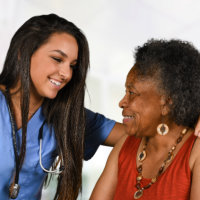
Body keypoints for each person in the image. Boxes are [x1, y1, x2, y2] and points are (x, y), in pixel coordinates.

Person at [0, 13, 125, 200]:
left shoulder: (66, 116)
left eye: (73, 66)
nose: (66, 74)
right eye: (58, 59)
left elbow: (139, 135)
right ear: (22, 52)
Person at [90, 39, 200, 200]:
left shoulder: (195, 151)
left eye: (132, 92)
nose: (122, 102)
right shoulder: (125, 145)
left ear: (167, 102)